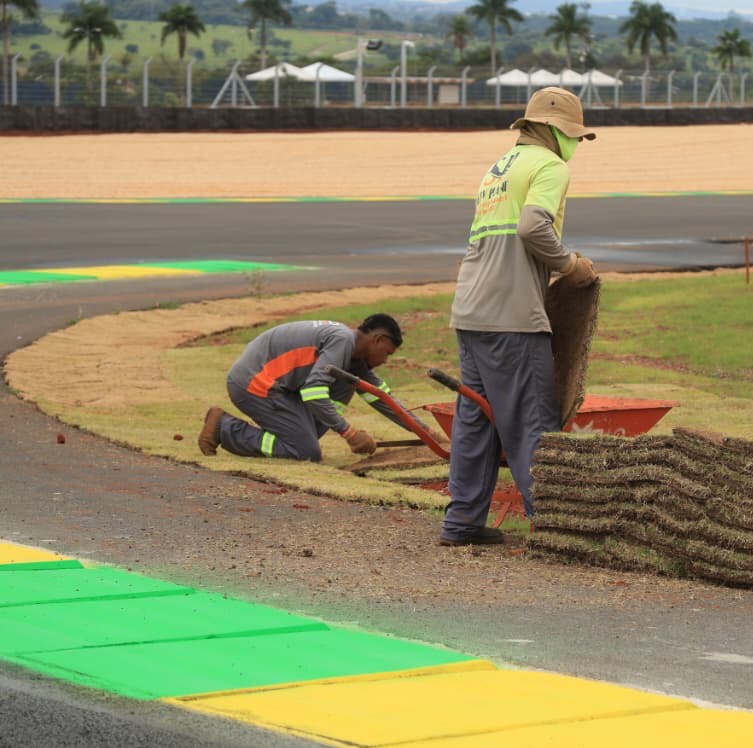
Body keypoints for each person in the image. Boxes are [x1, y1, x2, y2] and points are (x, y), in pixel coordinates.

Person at [439, 86, 599, 548]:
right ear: (554, 131)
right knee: (533, 420)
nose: (575, 147)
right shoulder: (550, 166)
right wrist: (569, 265)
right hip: (512, 315)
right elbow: (532, 226)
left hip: (471, 311)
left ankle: (461, 522)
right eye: (575, 137)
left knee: (475, 421)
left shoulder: (498, 168)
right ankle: (552, 529)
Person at [198, 313, 428, 462]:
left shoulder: (353, 356)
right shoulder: (342, 341)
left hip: (279, 387)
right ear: (377, 339)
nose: (385, 361)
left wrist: (427, 434)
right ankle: (224, 428)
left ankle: (298, 434)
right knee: (305, 452)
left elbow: (381, 397)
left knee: (347, 382)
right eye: (387, 353)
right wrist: (350, 433)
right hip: (255, 384)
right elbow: (313, 392)